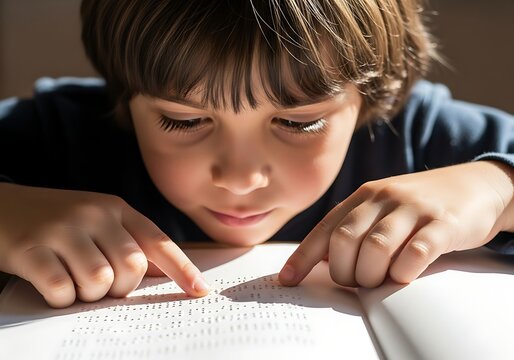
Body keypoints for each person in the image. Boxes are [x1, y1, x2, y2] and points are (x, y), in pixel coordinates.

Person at [0, 0, 513, 308]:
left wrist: (495, 188)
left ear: (371, 99)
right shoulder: (61, 135)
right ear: (122, 95)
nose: (241, 178)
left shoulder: (414, 135)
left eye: (298, 122)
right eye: (183, 120)